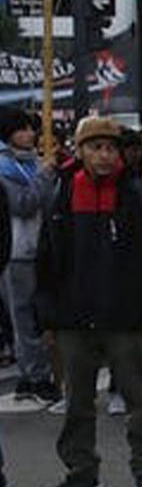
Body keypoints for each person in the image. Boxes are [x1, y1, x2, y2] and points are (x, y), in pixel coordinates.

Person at [34, 116, 142, 487]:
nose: (103, 155)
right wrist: (46, 318)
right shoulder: (62, 194)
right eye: (95, 147)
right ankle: (81, 474)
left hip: (127, 319)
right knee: (77, 405)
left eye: (110, 148)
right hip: (73, 319)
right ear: (80, 151)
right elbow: (46, 260)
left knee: (138, 405)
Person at [0, 106, 58, 405]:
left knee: (35, 315)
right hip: (16, 251)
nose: (31, 134)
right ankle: (36, 377)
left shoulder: (30, 163)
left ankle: (30, 374)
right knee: (24, 318)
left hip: (38, 247)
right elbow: (23, 204)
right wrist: (44, 176)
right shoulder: (5, 168)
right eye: (22, 129)